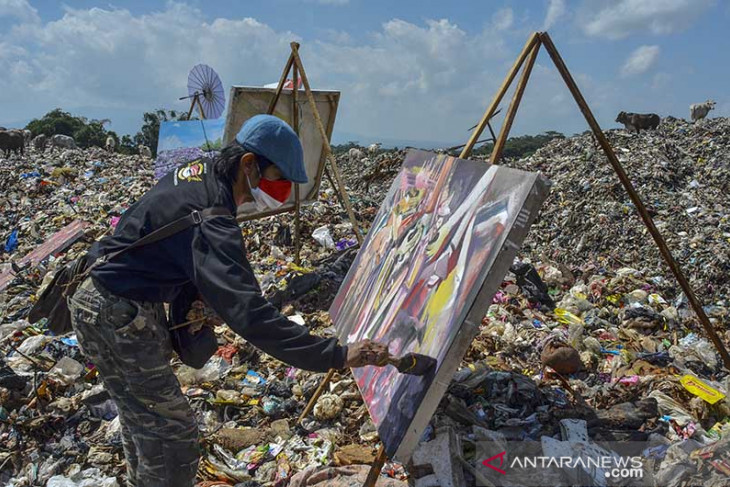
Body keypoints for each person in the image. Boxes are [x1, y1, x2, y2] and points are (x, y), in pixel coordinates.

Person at [68, 115, 389, 487]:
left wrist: (203, 300)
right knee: (174, 437)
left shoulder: (200, 172)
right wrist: (335, 354)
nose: (278, 192)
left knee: (144, 419)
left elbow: (180, 251)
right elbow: (250, 314)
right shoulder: (213, 215)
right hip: (117, 313)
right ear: (248, 164)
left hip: (102, 298)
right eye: (277, 180)